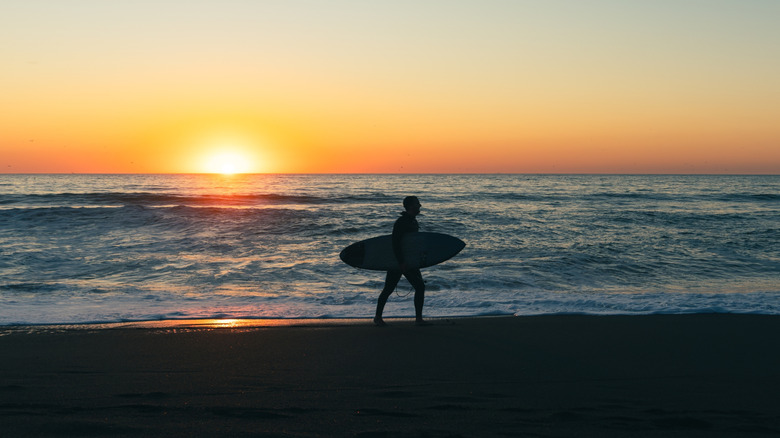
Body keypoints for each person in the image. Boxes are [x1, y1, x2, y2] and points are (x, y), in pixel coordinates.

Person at [374, 196, 428, 326]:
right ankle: (378, 318)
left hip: (410, 261)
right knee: (393, 289)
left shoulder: (413, 221)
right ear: (410, 206)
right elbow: (396, 243)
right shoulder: (402, 222)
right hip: (400, 262)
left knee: (417, 286)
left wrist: (419, 259)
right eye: (417, 203)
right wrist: (401, 262)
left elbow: (412, 244)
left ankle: (418, 319)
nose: (420, 205)